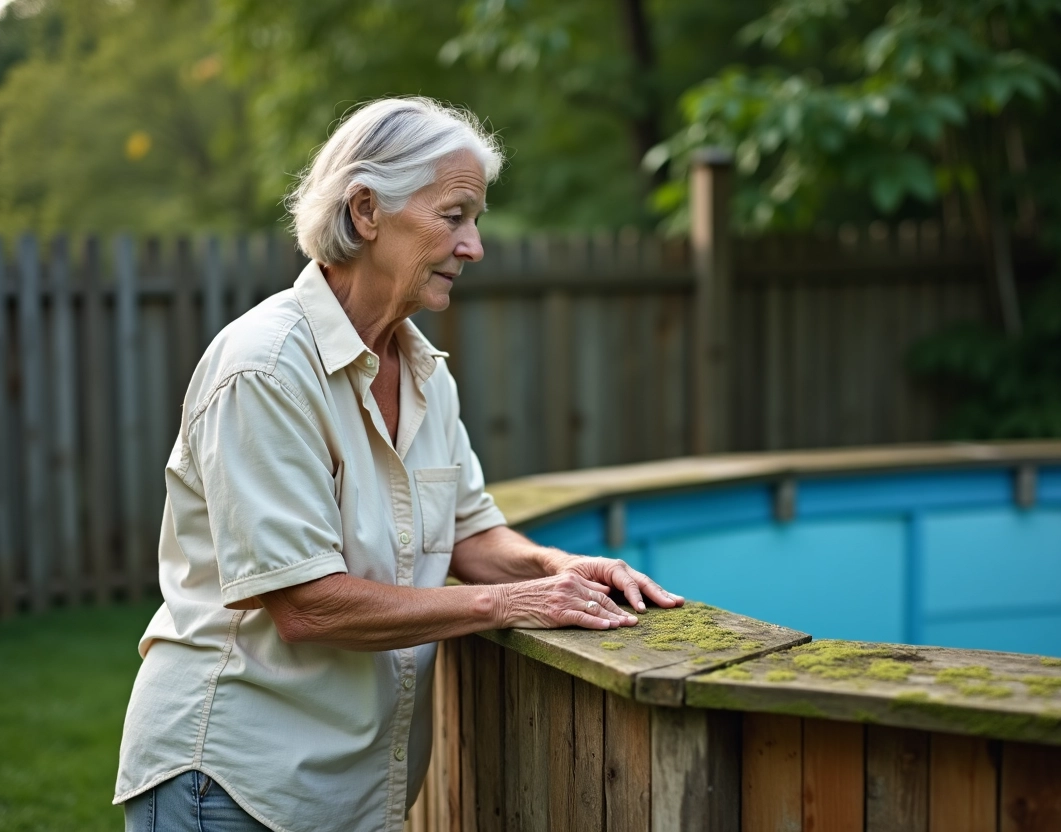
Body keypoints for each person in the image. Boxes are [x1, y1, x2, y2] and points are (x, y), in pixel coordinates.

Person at [114, 96, 684, 832]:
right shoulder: (264, 370)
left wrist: (555, 569)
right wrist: (504, 606)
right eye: (455, 215)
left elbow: (472, 535)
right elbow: (305, 603)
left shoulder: (422, 369)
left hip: (345, 793)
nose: (475, 245)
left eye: (475, 219)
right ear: (365, 211)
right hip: (229, 783)